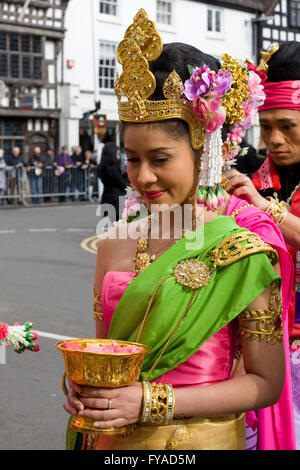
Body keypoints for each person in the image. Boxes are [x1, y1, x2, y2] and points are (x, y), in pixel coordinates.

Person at [63, 10, 286, 450]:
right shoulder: (114, 244)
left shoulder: (244, 249)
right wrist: (79, 385)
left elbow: (266, 383)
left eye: (160, 159)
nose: (143, 177)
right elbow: (105, 349)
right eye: (132, 159)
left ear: (204, 150)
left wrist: (151, 401)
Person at [225, 41, 300, 449]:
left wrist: (264, 209)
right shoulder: (252, 178)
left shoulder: (256, 192)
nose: (273, 138)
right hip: (265, 345)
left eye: (287, 125)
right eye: (265, 125)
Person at [97, 142, 128, 220]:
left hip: (106, 197)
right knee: (118, 226)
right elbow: (122, 183)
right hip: (116, 199)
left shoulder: (101, 167)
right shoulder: (112, 169)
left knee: (108, 226)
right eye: (116, 154)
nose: (117, 156)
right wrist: (126, 175)